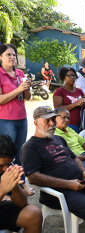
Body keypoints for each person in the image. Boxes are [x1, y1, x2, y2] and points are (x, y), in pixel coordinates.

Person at [0, 44, 34, 195]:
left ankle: (22, 184)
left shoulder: (20, 73)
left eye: (14, 54)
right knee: (7, 155)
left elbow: (27, 98)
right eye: (8, 54)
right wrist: (18, 90)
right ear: (0, 57)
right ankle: (7, 188)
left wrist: (26, 89)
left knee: (20, 153)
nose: (12, 57)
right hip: (6, 120)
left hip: (22, 118)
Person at [0, 134, 43, 233]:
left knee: (33, 214)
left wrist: (14, 186)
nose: (6, 169)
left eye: (9, 164)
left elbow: (21, 203)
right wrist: (2, 190)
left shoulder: (6, 168)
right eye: (2, 165)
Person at [53, 67, 85, 133]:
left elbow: (84, 107)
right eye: (69, 75)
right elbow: (57, 109)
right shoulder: (59, 91)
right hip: (68, 125)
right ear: (63, 77)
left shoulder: (79, 91)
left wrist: (83, 104)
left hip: (81, 124)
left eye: (73, 75)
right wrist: (75, 104)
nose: (72, 77)